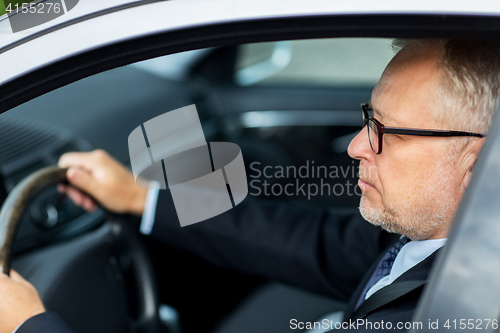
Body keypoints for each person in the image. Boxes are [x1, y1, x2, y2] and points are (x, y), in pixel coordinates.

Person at [0, 38, 498, 333]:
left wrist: (31, 324)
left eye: (384, 131)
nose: (355, 147)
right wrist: (139, 196)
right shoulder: (440, 235)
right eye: (368, 119)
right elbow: (315, 243)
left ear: (475, 163)